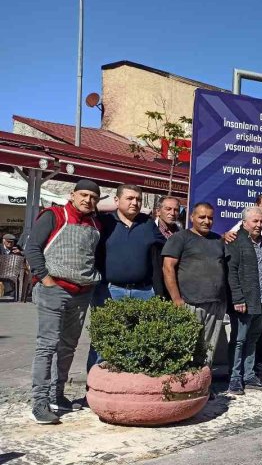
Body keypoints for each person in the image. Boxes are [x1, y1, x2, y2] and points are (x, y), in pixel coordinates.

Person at [25, 179, 102, 424]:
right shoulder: (54, 215)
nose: (88, 200)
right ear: (72, 195)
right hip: (54, 289)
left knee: (68, 346)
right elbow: (32, 248)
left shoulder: (94, 224)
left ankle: (58, 394)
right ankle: (40, 402)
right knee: (47, 346)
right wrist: (45, 279)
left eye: (93, 197)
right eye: (83, 195)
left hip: (82, 292)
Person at [88, 184, 166, 372]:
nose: (135, 202)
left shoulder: (147, 224)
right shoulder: (104, 222)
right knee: (104, 340)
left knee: (139, 341)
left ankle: (129, 385)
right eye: (130, 198)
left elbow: (168, 247)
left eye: (138, 199)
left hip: (144, 292)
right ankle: (96, 387)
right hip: (110, 291)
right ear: (116, 200)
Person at [224, 193, 262, 374]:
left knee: (259, 329)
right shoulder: (243, 228)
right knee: (241, 336)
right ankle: (236, 375)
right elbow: (229, 244)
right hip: (249, 291)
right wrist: (224, 235)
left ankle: (255, 364)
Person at [162, 202, 227, 366]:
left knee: (208, 350)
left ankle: (204, 386)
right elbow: (168, 268)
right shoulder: (180, 238)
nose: (206, 221)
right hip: (190, 303)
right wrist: (177, 300)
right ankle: (185, 388)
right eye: (202, 217)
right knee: (185, 349)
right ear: (192, 217)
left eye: (210, 218)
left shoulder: (217, 240)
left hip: (215, 303)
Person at [225, 206, 262, 395]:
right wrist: (237, 298)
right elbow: (232, 273)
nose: (259, 224)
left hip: (261, 300)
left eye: (261, 221)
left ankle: (249, 375)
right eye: (255, 221)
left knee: (252, 339)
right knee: (239, 340)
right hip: (243, 302)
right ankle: (235, 379)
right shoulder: (236, 241)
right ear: (244, 223)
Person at [151, 196, 181, 300]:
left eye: (176, 210)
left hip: (177, 289)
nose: (172, 213)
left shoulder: (181, 234)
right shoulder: (149, 231)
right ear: (158, 211)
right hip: (154, 289)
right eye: (168, 209)